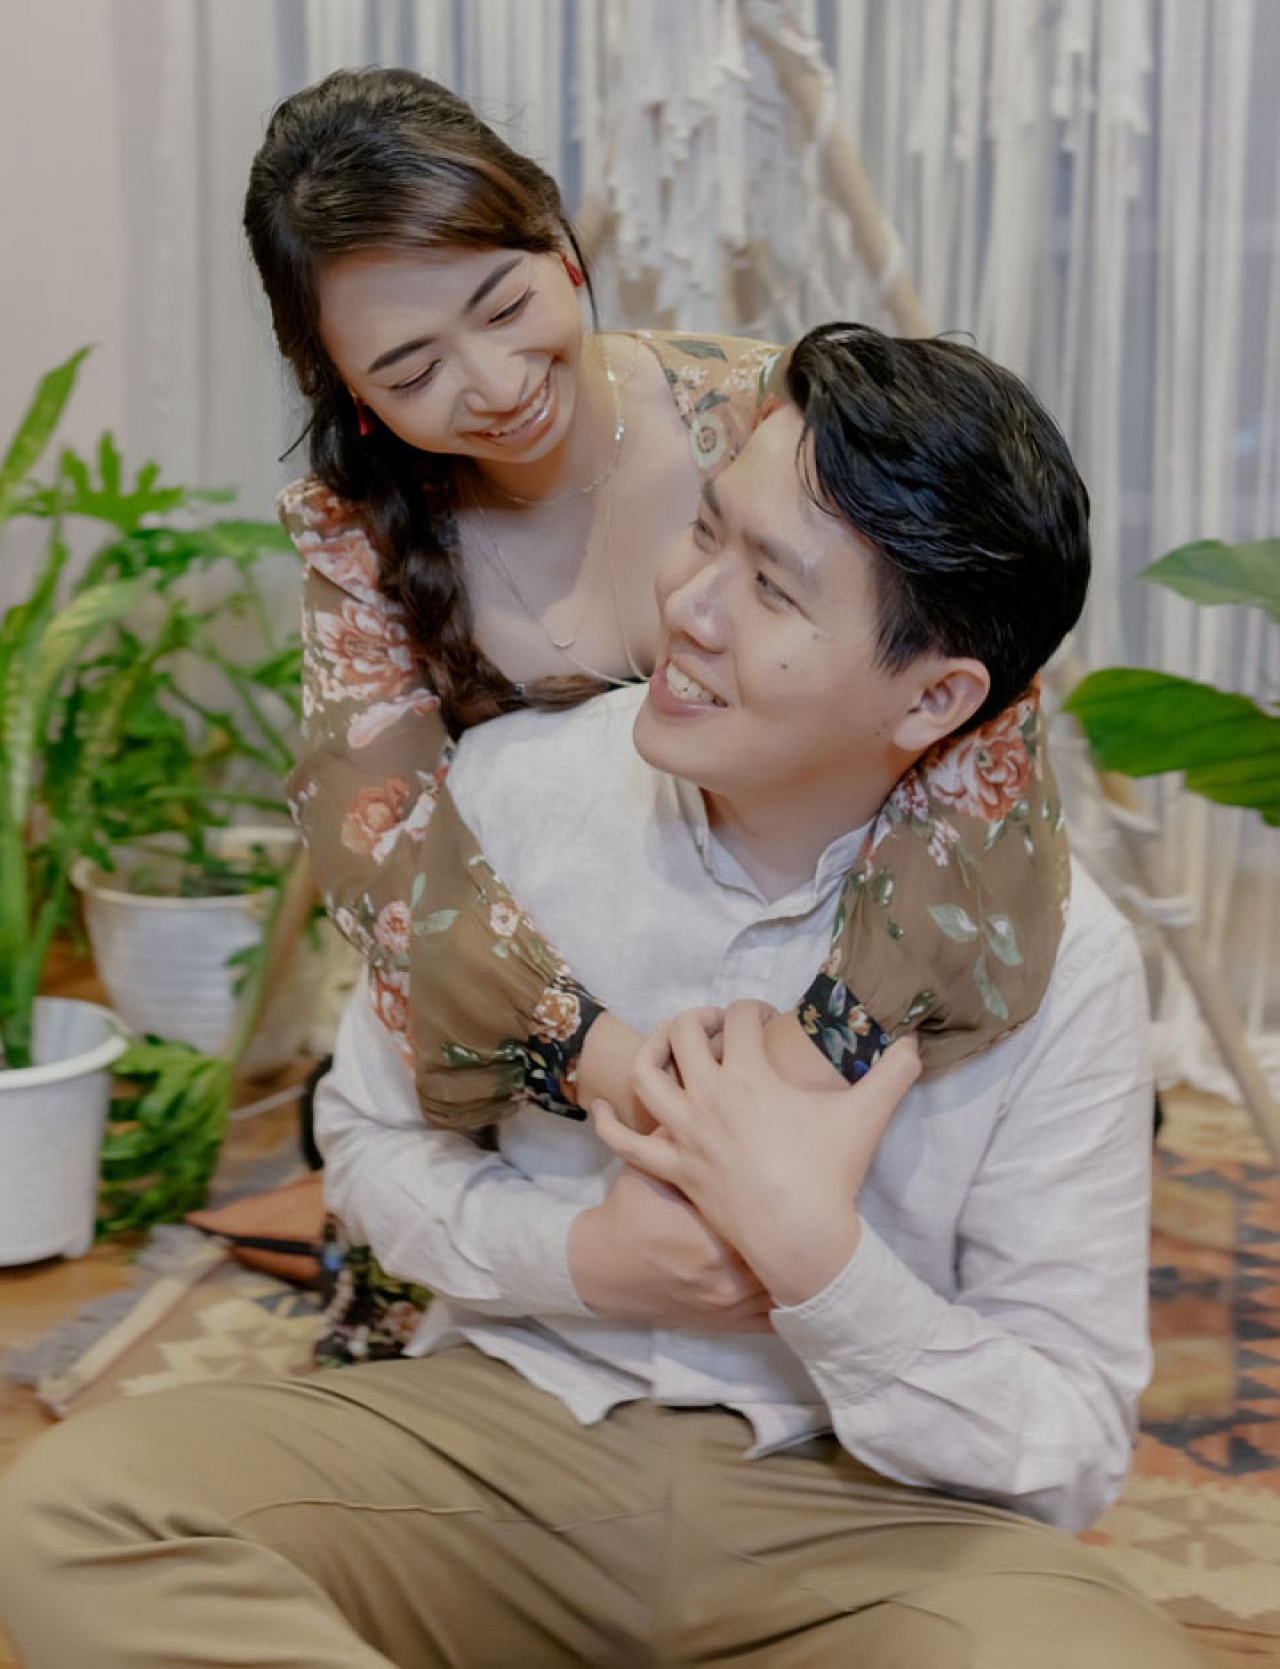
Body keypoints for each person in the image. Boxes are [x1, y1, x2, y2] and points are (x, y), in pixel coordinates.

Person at [0, 326, 1201, 1667]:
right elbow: (370, 1147)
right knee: (76, 1520)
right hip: (501, 1448)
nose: (689, 604)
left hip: (866, 1509)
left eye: (773, 589)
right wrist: (586, 1260)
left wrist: (817, 1261)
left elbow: (1068, 1444)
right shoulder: (510, 793)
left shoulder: (1061, 960)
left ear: (934, 698)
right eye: (707, 530)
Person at [246, 67, 1071, 1141]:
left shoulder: (769, 420)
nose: (496, 385)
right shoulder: (359, 533)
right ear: (348, 390)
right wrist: (626, 1076)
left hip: (807, 967)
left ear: (557, 238)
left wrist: (799, 1069)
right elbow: (381, 846)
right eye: (411, 375)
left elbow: (973, 725)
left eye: (505, 307)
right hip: (571, 1025)